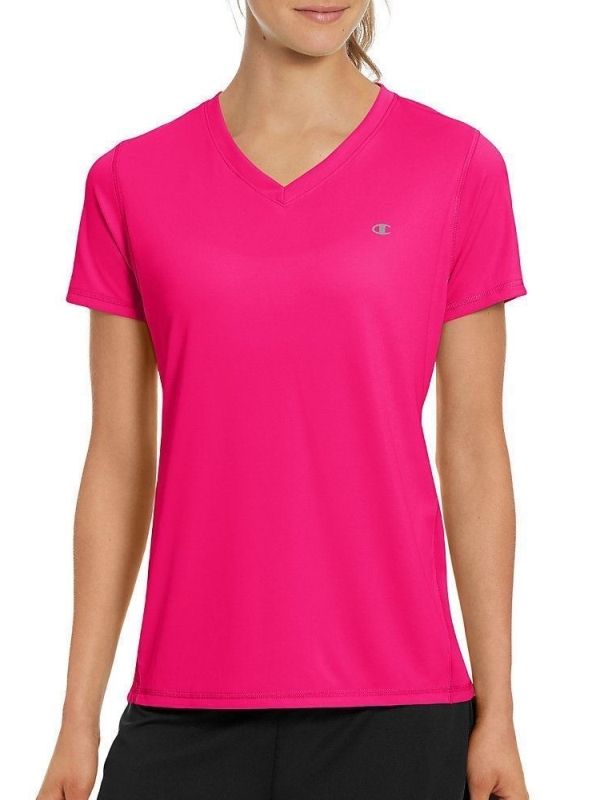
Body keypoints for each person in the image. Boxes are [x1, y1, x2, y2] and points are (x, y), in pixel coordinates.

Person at [37, 2, 530, 799]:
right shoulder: (129, 181)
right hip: (182, 714)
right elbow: (119, 460)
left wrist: (499, 710)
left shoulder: (457, 166)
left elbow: (474, 449)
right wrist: (76, 720)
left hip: (400, 712)